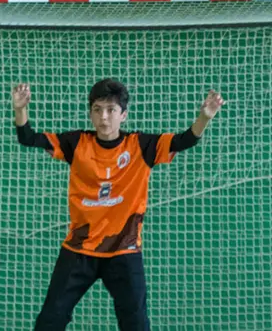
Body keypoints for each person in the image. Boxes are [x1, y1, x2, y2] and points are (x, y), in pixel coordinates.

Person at [11, 79, 224, 331]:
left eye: (111, 110)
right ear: (90, 113)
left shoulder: (142, 145)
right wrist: (20, 110)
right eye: (97, 109)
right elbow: (28, 137)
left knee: (136, 324)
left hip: (124, 250)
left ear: (123, 115)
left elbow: (184, 140)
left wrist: (204, 117)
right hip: (79, 250)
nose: (104, 117)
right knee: (50, 320)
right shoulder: (76, 143)